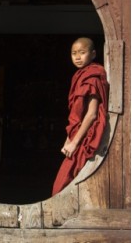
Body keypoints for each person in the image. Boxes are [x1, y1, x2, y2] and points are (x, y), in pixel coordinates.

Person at [52, 37, 109, 195]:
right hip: (76, 136)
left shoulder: (93, 77)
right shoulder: (78, 76)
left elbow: (91, 114)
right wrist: (68, 139)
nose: (77, 57)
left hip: (85, 138)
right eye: (74, 53)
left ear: (93, 54)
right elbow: (76, 114)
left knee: (63, 184)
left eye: (82, 53)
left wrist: (74, 143)